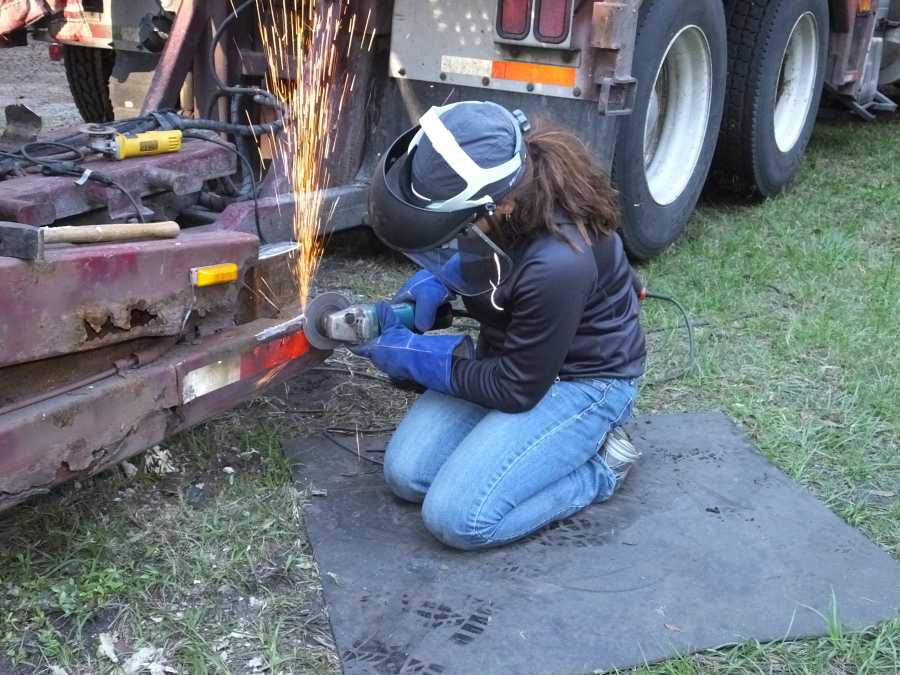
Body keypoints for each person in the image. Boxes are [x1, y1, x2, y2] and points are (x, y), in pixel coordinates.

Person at [353, 100, 646, 550]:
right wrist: (437, 280)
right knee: (408, 475)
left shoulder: (558, 263)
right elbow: (479, 254)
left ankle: (601, 467)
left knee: (457, 518)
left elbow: (515, 388)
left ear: (498, 206)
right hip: (515, 355)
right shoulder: (503, 200)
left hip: (582, 380)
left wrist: (415, 356)